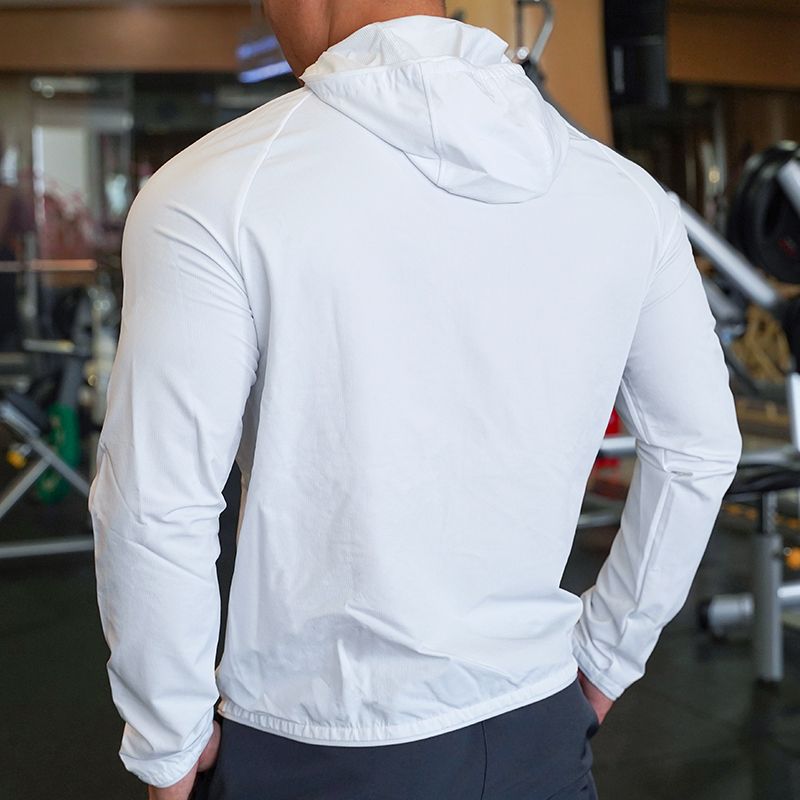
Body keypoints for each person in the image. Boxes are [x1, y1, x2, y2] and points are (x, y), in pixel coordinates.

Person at [88, 2, 743, 799]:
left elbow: (155, 501)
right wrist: (610, 653)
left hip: (315, 745)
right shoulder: (624, 194)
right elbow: (699, 449)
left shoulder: (211, 190)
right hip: (535, 729)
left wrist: (168, 743)